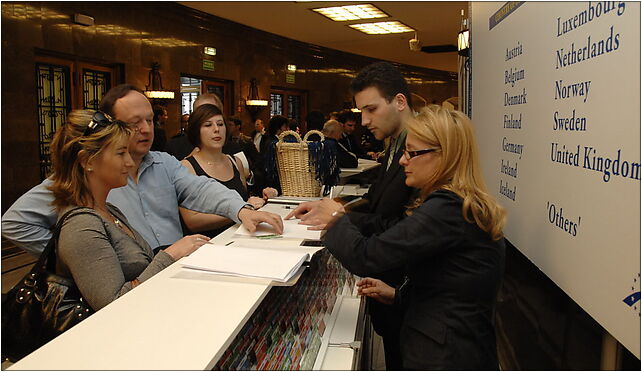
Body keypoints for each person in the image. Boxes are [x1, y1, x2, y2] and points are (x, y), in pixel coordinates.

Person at [298, 105, 508, 369]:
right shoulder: (459, 204)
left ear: (445, 156)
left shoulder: (448, 208)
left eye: (412, 152)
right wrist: (397, 295)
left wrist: (337, 217)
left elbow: (367, 255)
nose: (402, 160)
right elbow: (451, 285)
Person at [1, 84, 283, 256]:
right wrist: (78, 257)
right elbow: (14, 223)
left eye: (150, 120)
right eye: (135, 123)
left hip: (173, 269)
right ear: (112, 126)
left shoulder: (164, 163)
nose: (146, 129)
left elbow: (201, 189)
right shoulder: (87, 174)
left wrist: (241, 209)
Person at [285, 61, 416, 370]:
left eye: (371, 109)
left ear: (399, 102)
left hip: (405, 293)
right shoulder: (395, 144)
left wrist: (338, 218)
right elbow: (377, 200)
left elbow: (401, 224)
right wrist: (335, 206)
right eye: (361, 113)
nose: (365, 121)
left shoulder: (419, 151)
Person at [48, 110, 211, 310]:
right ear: (87, 161)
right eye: (120, 153)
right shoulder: (81, 226)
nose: (130, 162)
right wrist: (171, 254)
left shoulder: (109, 210)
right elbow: (112, 306)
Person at [180, 104, 277, 238]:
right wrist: (242, 210)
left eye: (220, 124)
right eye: (208, 125)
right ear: (196, 131)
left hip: (242, 237)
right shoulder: (186, 167)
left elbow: (243, 200)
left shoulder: (235, 162)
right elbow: (192, 221)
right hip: (207, 244)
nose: (216, 130)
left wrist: (261, 200)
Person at [223, 116, 267, 197]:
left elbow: (257, 160)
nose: (228, 127)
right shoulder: (224, 142)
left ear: (238, 126)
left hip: (246, 175)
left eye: (230, 125)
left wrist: (250, 173)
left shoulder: (246, 141)